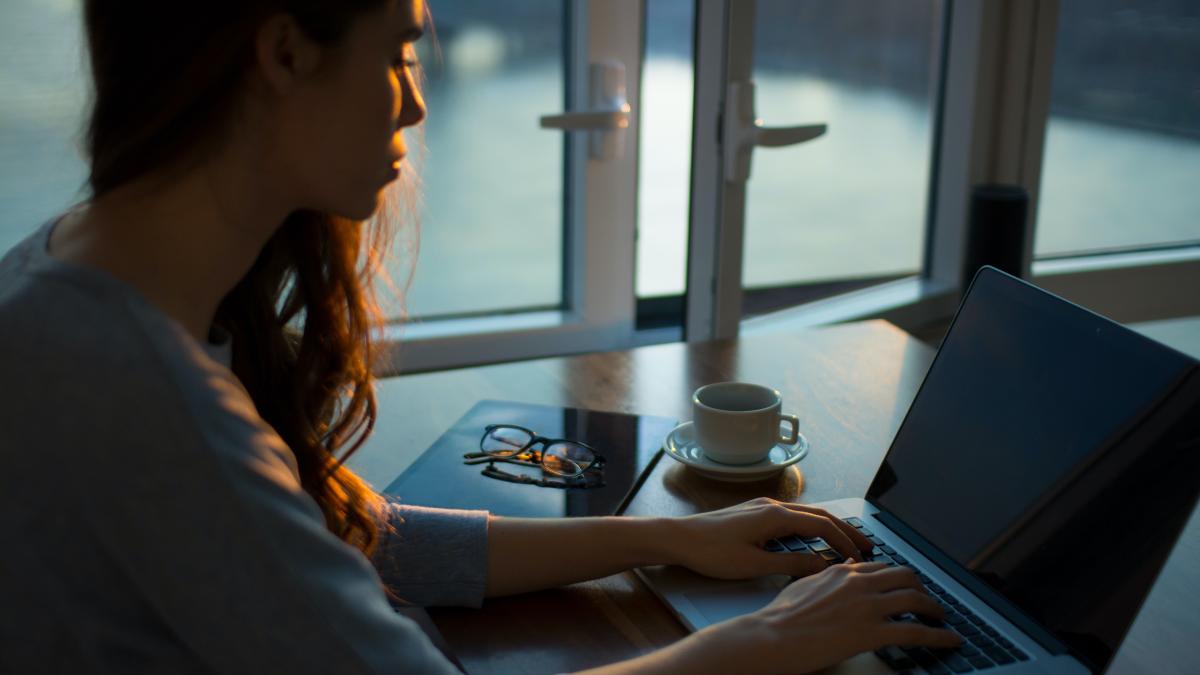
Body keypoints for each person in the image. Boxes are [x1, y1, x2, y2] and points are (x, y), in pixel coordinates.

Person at [0, 0, 961, 672]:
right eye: (399, 51)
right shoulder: (149, 402)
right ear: (285, 52)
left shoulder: (63, 274)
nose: (415, 101)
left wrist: (677, 536)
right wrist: (762, 644)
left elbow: (352, 541)